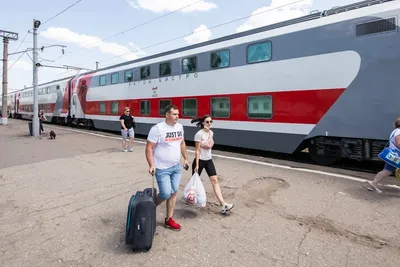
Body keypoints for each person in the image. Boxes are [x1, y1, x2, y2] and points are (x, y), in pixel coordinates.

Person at [145, 104, 189, 231]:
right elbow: (149, 148)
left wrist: (185, 158)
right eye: (174, 114)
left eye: (178, 114)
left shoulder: (180, 127)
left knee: (173, 192)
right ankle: (148, 206)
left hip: (176, 167)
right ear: (167, 115)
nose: (177, 116)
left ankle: (169, 219)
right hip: (162, 168)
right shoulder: (157, 129)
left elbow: (182, 143)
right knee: (165, 193)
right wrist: (151, 164)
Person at [190, 115, 234, 214]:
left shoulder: (211, 133)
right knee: (194, 183)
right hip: (200, 160)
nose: (209, 124)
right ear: (203, 123)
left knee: (215, 180)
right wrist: (197, 165)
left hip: (208, 160)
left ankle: (223, 204)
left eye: (211, 121)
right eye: (207, 122)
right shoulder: (198, 134)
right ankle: (191, 198)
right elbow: (197, 150)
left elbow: (209, 147)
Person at [367, 117, 400, 193]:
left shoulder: (395, 131)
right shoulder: (398, 132)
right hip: (396, 155)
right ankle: (373, 184)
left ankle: (373, 184)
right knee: (387, 171)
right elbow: (399, 144)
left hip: (393, 155)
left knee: (387, 171)